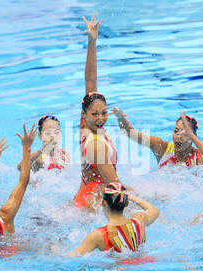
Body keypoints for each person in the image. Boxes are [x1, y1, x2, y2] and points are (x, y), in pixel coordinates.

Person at [74, 12, 130, 210]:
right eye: (95, 114)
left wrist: (92, 41)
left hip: (86, 197)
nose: (100, 119)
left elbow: (90, 80)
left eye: (103, 113)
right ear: (84, 115)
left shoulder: (86, 127)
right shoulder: (96, 146)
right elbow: (116, 186)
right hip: (93, 205)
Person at [69, 182, 159, 256]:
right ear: (127, 204)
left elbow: (72, 257)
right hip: (144, 263)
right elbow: (154, 210)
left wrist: (56, 249)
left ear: (103, 202)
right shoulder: (139, 221)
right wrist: (132, 197)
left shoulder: (98, 236)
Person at [112, 107, 203, 168]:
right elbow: (132, 133)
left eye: (185, 134)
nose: (178, 137)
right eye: (176, 131)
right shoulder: (162, 148)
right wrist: (120, 118)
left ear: (194, 138)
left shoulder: (200, 160)